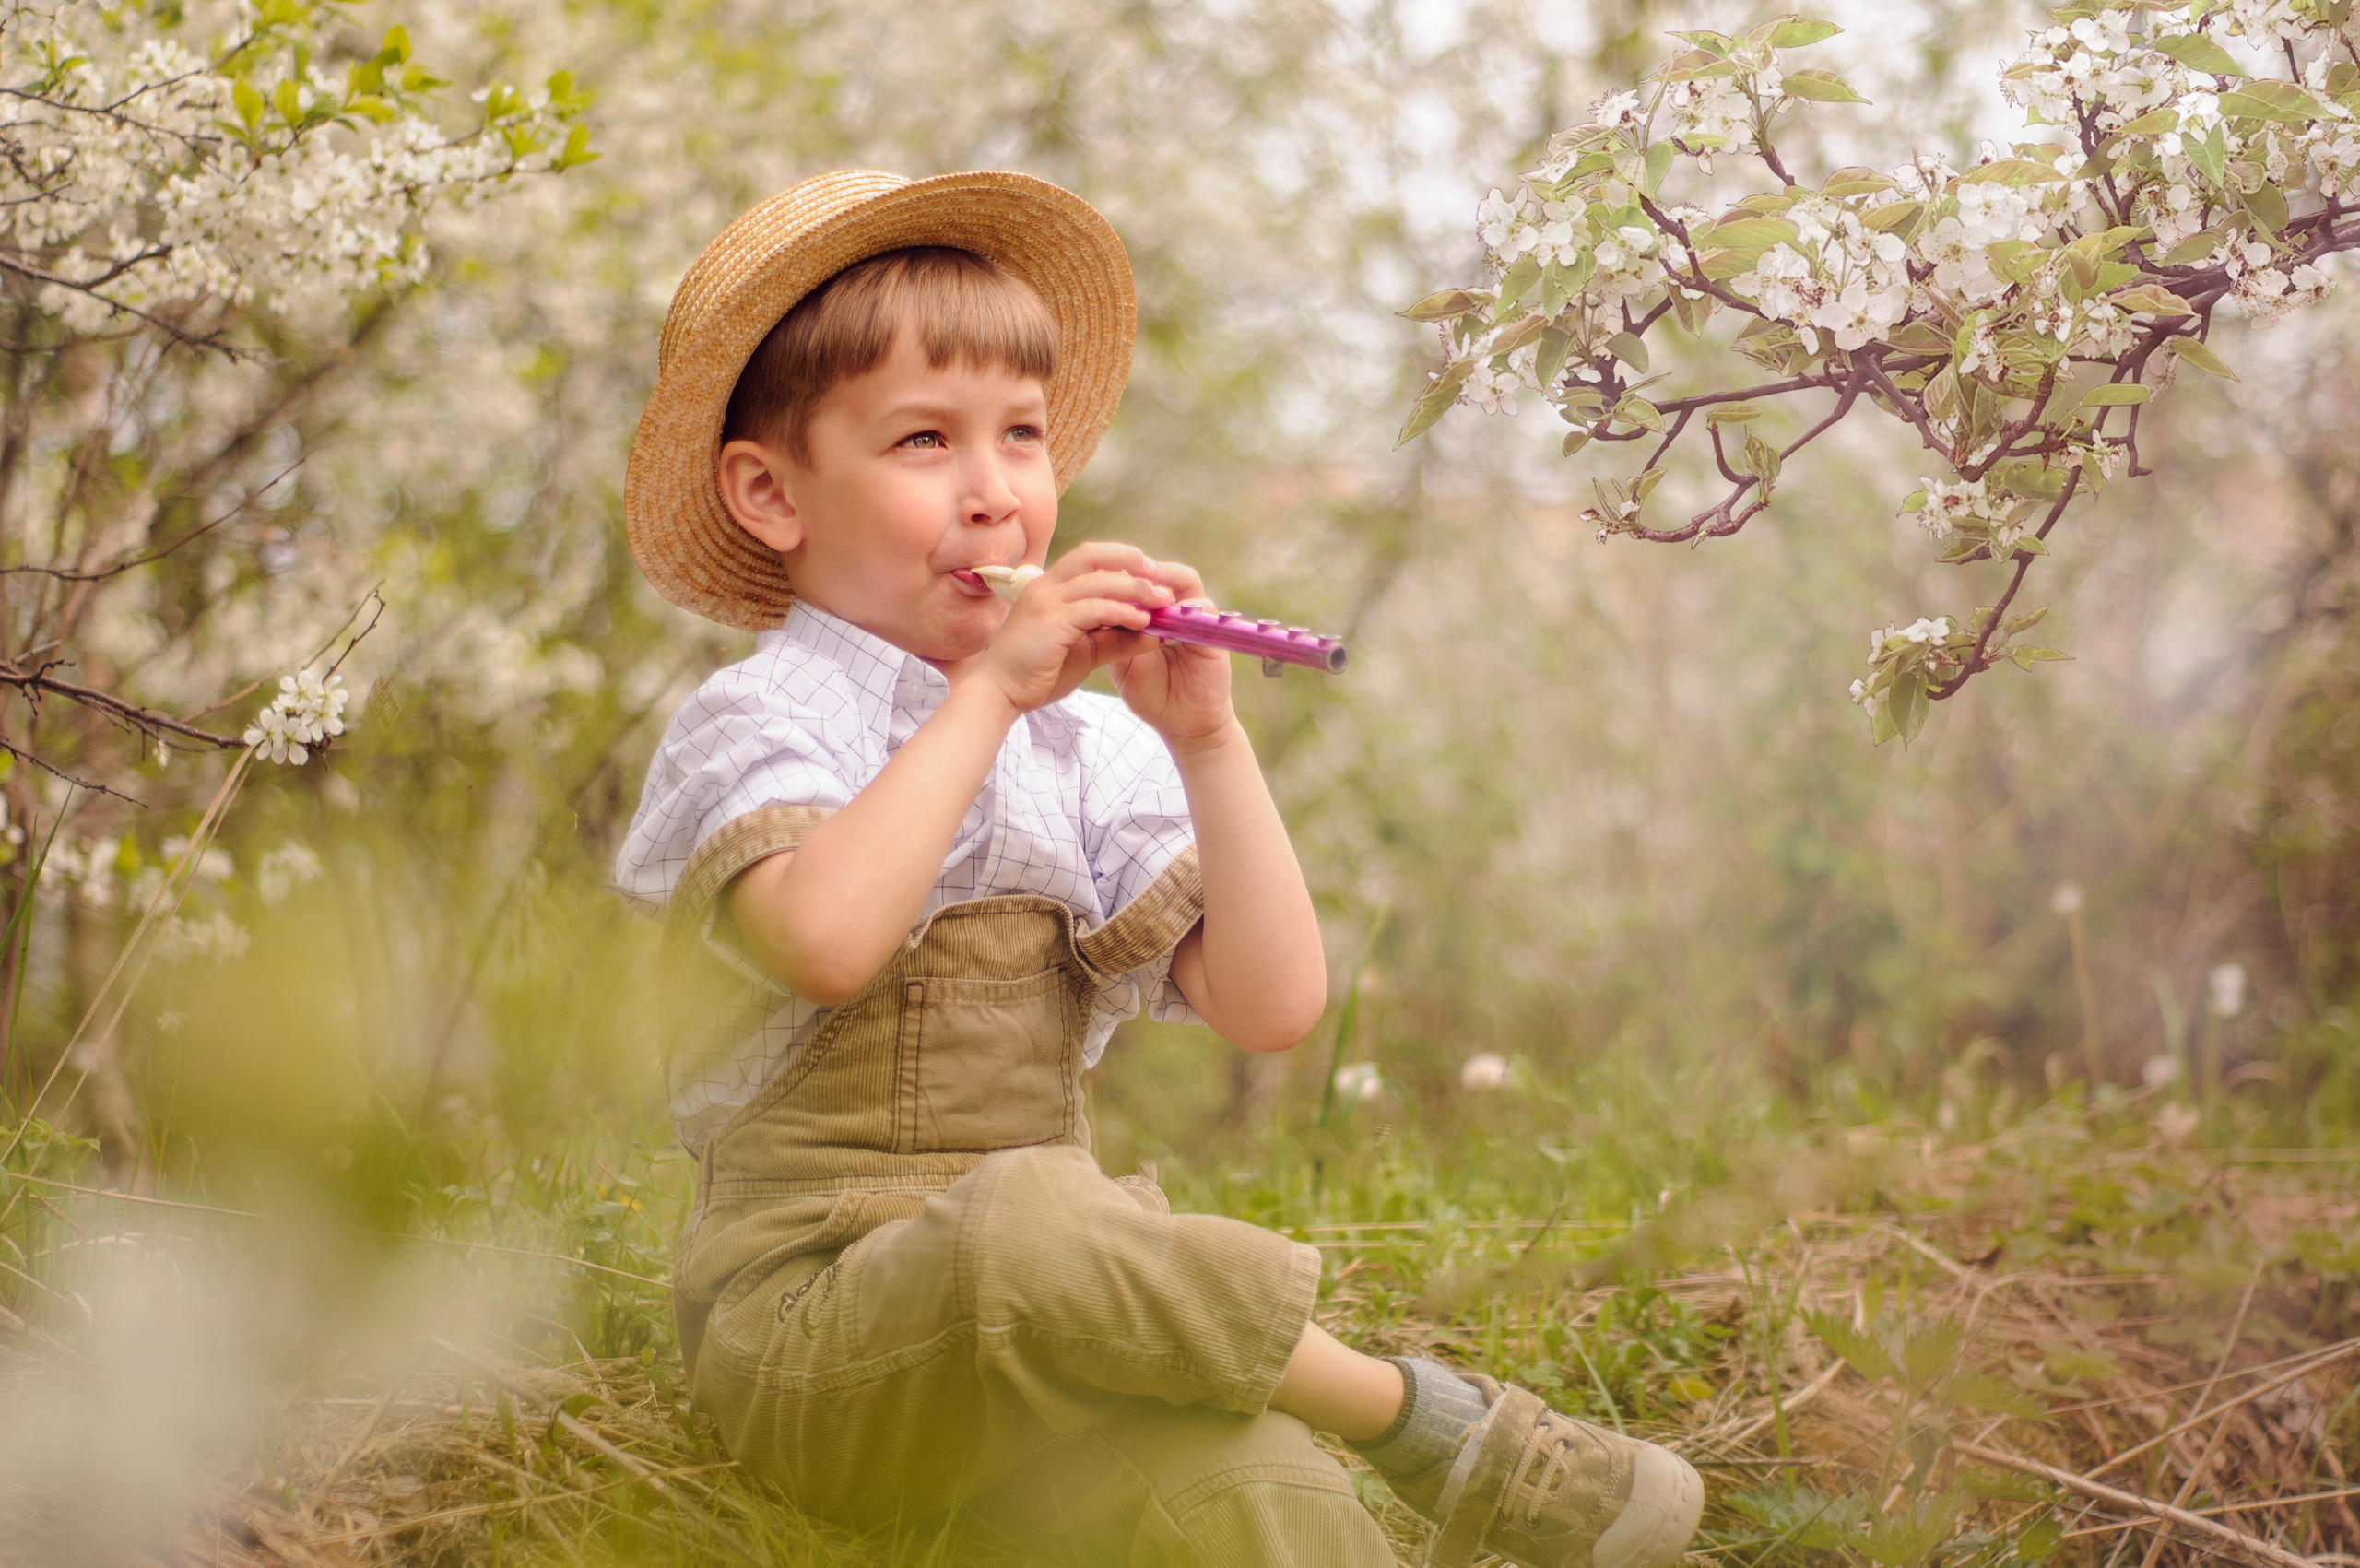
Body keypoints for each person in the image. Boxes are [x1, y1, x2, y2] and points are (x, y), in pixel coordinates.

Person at [612, 169, 1705, 1568]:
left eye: (1022, 434)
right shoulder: (758, 723)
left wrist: (1205, 741)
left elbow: (1274, 1003)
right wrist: (990, 694)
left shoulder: (1083, 749)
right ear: (771, 492)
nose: (995, 492)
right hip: (819, 1344)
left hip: (1060, 1341)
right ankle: (1427, 1423)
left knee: (1253, 1476)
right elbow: (822, 941)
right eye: (924, 441)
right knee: (1027, 1217)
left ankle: (1347, 1450)